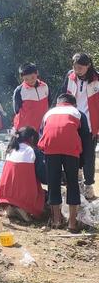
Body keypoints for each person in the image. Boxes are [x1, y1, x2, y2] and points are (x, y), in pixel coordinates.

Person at [38, 94, 89, 232]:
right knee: (72, 183)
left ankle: (56, 221)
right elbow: (85, 137)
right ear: (74, 104)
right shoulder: (78, 113)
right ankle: (72, 224)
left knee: (53, 182)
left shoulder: (48, 113)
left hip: (50, 148)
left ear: (58, 103)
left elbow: (41, 134)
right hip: (71, 149)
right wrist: (82, 160)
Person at [61, 53, 99, 200]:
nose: (77, 70)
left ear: (88, 65)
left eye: (80, 67)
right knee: (73, 154)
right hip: (72, 122)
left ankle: (89, 185)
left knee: (89, 156)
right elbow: (63, 95)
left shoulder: (96, 79)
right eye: (75, 67)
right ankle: (76, 182)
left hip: (90, 124)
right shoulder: (70, 76)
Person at [0, 126, 46, 223]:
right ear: (32, 138)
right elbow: (43, 177)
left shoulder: (11, 149)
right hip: (24, 195)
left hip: (5, 193)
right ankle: (23, 208)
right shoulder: (33, 151)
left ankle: (11, 206)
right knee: (45, 197)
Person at [13, 62, 51, 133]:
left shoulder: (45, 86)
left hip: (42, 127)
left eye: (33, 77)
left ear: (37, 73)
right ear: (22, 77)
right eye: (26, 79)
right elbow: (16, 110)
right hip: (25, 130)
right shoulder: (19, 91)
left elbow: (49, 103)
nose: (30, 81)